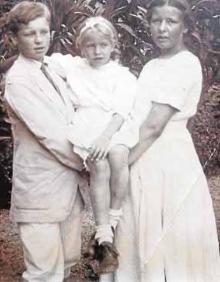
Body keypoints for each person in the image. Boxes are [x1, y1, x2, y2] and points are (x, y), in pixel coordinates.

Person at [100, 0, 220, 281]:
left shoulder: (186, 63)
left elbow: (154, 125)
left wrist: (121, 165)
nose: (162, 28)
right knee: (139, 224)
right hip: (144, 151)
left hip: (168, 157)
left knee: (169, 231)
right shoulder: (152, 66)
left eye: (171, 21)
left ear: (185, 27)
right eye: (156, 21)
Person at [3, 2, 86, 281]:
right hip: (40, 188)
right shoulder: (19, 81)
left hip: (66, 186)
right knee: (43, 270)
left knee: (68, 259)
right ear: (14, 39)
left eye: (43, 32)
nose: (39, 40)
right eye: (29, 34)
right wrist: (90, 164)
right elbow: (51, 134)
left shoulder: (51, 66)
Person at [49, 16, 137, 273]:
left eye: (102, 45)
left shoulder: (121, 75)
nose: (97, 51)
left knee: (118, 155)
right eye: (90, 46)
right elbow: (42, 60)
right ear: (81, 47)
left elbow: (121, 111)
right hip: (87, 124)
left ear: (112, 45)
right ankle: (103, 232)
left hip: (113, 125)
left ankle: (113, 217)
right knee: (99, 164)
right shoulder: (74, 67)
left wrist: (105, 137)